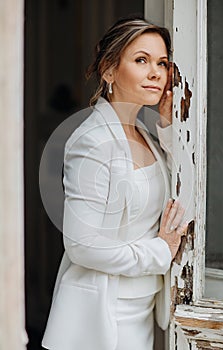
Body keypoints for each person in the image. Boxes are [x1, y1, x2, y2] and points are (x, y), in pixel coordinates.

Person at [42, 16, 188, 350]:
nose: (156, 72)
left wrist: (168, 126)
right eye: (141, 60)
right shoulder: (91, 141)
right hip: (102, 319)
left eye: (162, 63)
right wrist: (160, 251)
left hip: (143, 310)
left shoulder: (147, 136)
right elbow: (82, 245)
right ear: (109, 71)